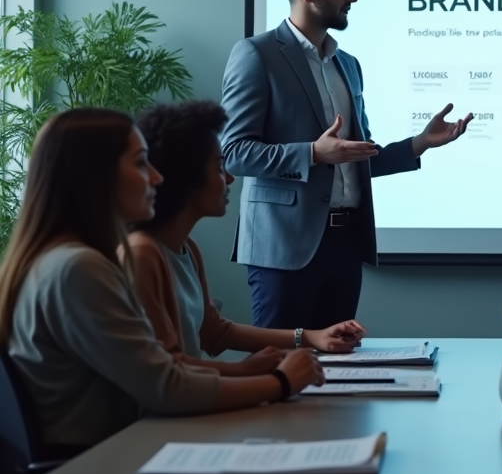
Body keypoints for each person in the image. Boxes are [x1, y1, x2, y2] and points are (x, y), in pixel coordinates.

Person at [0, 109, 324, 451]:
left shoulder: (59, 260)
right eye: (141, 163)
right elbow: (167, 387)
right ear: (94, 175)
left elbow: (173, 365)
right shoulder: (78, 268)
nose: (156, 177)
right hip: (95, 469)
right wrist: (281, 382)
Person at [221, 0, 473, 329]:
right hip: (283, 248)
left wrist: (420, 143)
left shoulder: (348, 65)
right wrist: (313, 153)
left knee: (338, 371)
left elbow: (354, 157)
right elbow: (234, 153)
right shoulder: (256, 54)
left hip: (344, 245)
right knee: (282, 366)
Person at [128, 101, 367, 375]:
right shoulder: (142, 254)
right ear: (185, 179)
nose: (230, 178)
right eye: (219, 168)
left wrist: (312, 337)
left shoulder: (187, 248)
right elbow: (168, 374)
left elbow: (214, 332)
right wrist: (268, 377)